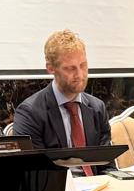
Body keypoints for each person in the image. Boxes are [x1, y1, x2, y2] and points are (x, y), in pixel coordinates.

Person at [12, 29, 112, 174]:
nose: (80, 75)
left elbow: (107, 165)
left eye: (83, 65)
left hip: (97, 185)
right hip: (57, 186)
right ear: (50, 68)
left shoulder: (97, 108)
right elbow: (35, 173)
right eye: (70, 68)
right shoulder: (30, 113)